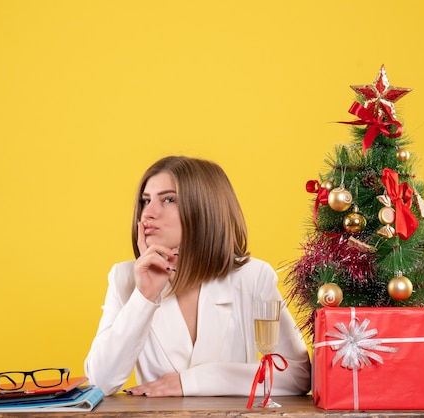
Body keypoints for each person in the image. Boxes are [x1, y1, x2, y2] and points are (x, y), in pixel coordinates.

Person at [84, 156, 311, 397]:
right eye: (145, 201)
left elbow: (297, 373)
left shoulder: (252, 276)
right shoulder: (124, 278)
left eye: (168, 199)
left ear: (205, 209)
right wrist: (144, 297)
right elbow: (100, 382)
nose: (147, 214)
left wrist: (194, 381)